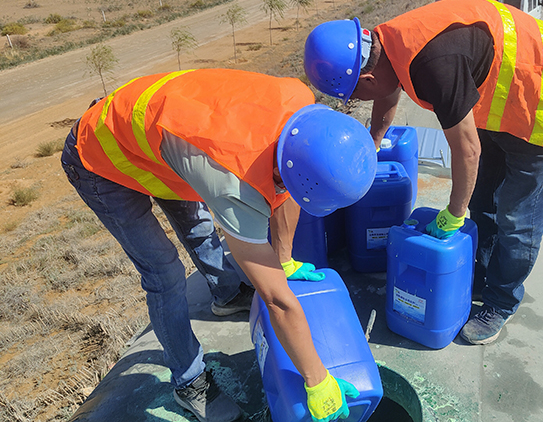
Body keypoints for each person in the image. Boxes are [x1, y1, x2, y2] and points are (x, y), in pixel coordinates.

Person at [60, 68, 377, 422]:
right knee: (164, 273)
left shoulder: (300, 110)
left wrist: (283, 261)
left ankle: (226, 295)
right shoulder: (231, 182)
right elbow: (277, 301)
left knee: (197, 224)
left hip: (167, 136)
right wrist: (317, 380)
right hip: (99, 155)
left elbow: (287, 189)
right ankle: (189, 382)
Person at [304, 0, 543, 346]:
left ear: (367, 75)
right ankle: (479, 277)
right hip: (505, 97)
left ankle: (501, 302)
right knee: (483, 200)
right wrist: (373, 144)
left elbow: (467, 150)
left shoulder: (433, 64)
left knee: (517, 219)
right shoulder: (385, 44)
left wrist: (453, 214)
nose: (358, 102)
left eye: (355, 95)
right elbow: (388, 91)